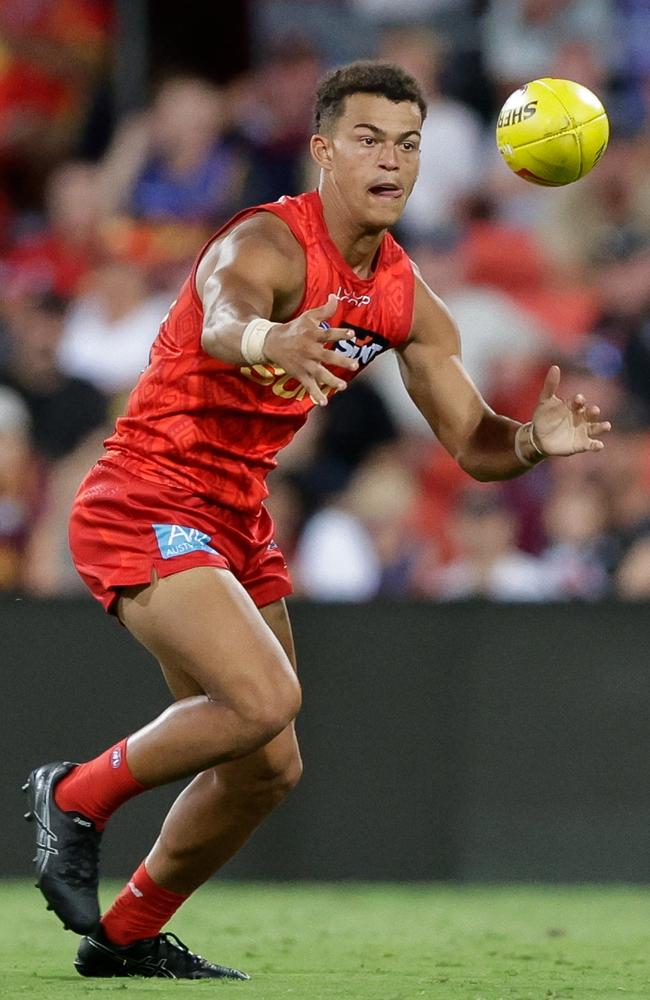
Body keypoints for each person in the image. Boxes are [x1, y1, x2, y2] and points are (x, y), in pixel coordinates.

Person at [23, 60, 611, 981]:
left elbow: (474, 446)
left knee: (268, 767)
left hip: (235, 518)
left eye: (408, 144)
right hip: (145, 493)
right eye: (370, 139)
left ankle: (127, 935)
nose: (392, 160)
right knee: (265, 700)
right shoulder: (266, 241)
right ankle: (75, 794)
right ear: (323, 150)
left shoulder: (407, 297)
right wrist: (271, 339)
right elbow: (226, 315)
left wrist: (531, 441)